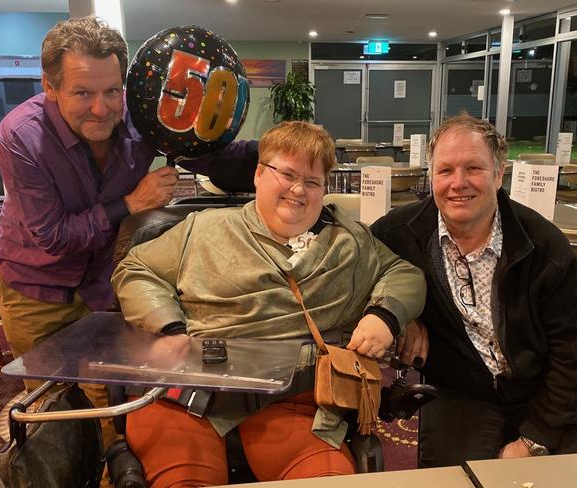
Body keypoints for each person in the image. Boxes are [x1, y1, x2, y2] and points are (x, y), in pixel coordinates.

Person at [112, 121, 426, 486]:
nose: (298, 190)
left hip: (295, 406)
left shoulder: (350, 244)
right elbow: (136, 269)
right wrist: (169, 328)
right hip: (189, 396)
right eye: (287, 174)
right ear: (259, 174)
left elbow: (404, 274)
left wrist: (384, 316)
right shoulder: (201, 231)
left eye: (312, 182)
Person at [0, 15, 256, 448]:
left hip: (103, 284)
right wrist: (131, 204)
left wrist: (280, 156)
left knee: (112, 404)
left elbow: (212, 158)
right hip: (35, 287)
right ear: (49, 85)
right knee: (59, 416)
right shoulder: (20, 137)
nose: (102, 108)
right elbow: (53, 236)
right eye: (83, 92)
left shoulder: (139, 114)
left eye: (112, 91)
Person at [371, 113, 577, 467]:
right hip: (463, 392)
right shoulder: (398, 234)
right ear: (431, 176)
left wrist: (534, 440)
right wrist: (402, 316)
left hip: (545, 389)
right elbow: (352, 271)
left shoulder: (545, 249)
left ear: (499, 174)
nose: (458, 183)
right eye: (445, 170)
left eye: (474, 169)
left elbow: (571, 354)